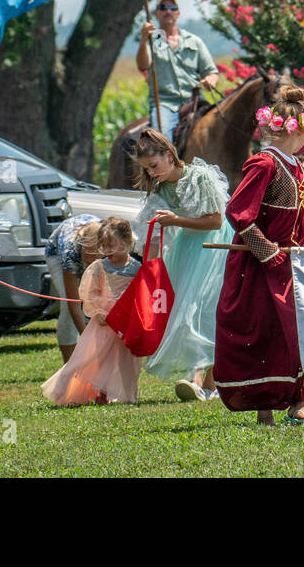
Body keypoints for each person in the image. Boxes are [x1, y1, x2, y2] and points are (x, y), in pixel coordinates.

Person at [215, 87, 304, 425]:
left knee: (299, 333)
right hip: (259, 268)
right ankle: (265, 409)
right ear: (290, 130)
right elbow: (238, 212)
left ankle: (297, 403)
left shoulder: (296, 166)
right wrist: (268, 254)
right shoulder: (265, 163)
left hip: (292, 266)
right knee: (266, 333)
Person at [132, 127, 234, 402]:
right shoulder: (163, 188)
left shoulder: (199, 176)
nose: (152, 172)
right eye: (147, 168)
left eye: (154, 165)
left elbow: (215, 220)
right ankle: (197, 380)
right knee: (185, 311)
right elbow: (151, 229)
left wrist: (176, 220)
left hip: (215, 247)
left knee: (206, 310)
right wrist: (147, 268)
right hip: (187, 249)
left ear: (168, 155)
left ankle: (209, 383)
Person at [41, 217, 143, 406]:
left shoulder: (137, 269)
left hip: (126, 323)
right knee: (98, 357)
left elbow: (141, 295)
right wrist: (97, 311)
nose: (107, 251)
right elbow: (88, 294)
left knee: (127, 360)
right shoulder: (99, 267)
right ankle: (100, 393)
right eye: (104, 246)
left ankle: (130, 395)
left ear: (127, 243)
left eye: (112, 245)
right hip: (104, 322)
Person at [135, 0, 219, 139]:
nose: (168, 11)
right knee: (164, 142)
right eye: (163, 8)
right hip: (165, 105)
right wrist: (143, 40)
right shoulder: (150, 40)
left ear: (178, 13)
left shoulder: (194, 41)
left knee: (219, 132)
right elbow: (142, 65)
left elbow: (211, 72)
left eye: (172, 8)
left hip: (195, 101)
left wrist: (211, 79)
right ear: (156, 14)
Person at [44, 214, 102, 363]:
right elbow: (73, 302)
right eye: (86, 254)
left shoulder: (110, 244)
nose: (89, 259)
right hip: (55, 252)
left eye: (94, 255)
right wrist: (86, 338)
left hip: (91, 233)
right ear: (82, 247)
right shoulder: (70, 252)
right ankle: (69, 365)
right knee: (67, 307)